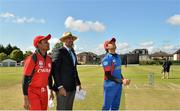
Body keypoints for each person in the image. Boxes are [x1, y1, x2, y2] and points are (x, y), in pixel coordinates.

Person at [22, 34, 54, 110]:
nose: (48, 43)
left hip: (44, 91)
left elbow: (49, 76)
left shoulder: (49, 59)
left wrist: (51, 90)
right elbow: (25, 79)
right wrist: (25, 98)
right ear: (38, 44)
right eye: (45, 42)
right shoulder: (32, 58)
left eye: (48, 41)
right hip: (33, 92)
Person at [51, 32, 81, 110]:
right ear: (64, 40)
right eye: (68, 38)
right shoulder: (59, 51)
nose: (71, 40)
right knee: (62, 108)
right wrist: (60, 87)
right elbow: (55, 70)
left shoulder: (73, 53)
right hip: (62, 88)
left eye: (71, 38)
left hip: (72, 87)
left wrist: (78, 83)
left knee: (69, 108)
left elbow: (74, 69)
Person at [101, 37, 130, 110]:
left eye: (114, 42)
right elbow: (108, 75)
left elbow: (118, 71)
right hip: (109, 86)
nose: (114, 43)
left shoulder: (118, 57)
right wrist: (121, 81)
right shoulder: (106, 59)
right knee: (106, 107)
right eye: (111, 43)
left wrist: (123, 80)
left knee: (115, 107)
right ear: (107, 47)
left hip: (118, 86)